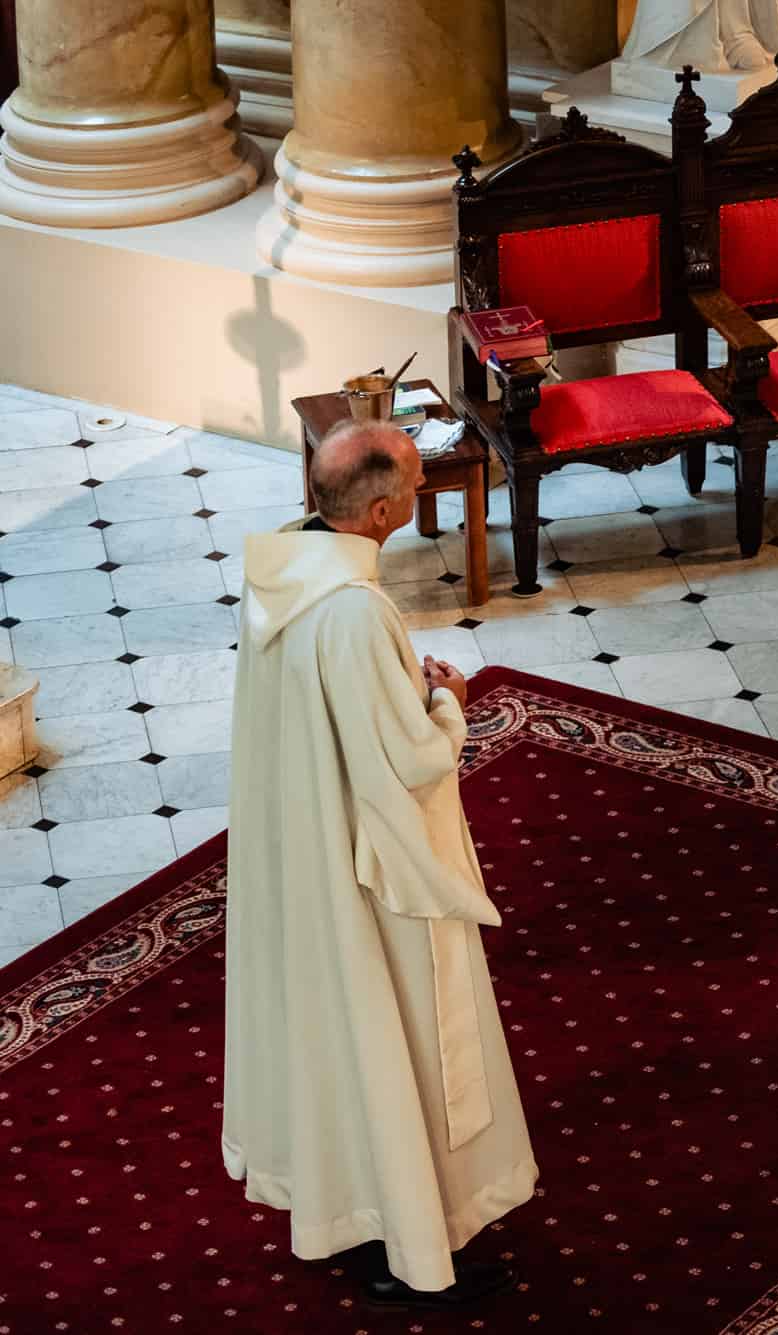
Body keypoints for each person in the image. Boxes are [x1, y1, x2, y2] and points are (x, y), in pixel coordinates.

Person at [222, 420, 537, 1309]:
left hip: (303, 849)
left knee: (336, 1042)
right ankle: (414, 1243)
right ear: (386, 510)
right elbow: (407, 764)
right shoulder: (356, 612)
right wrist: (447, 704)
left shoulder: (282, 567)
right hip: (365, 871)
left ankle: (348, 1203)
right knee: (401, 1035)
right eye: (413, 480)